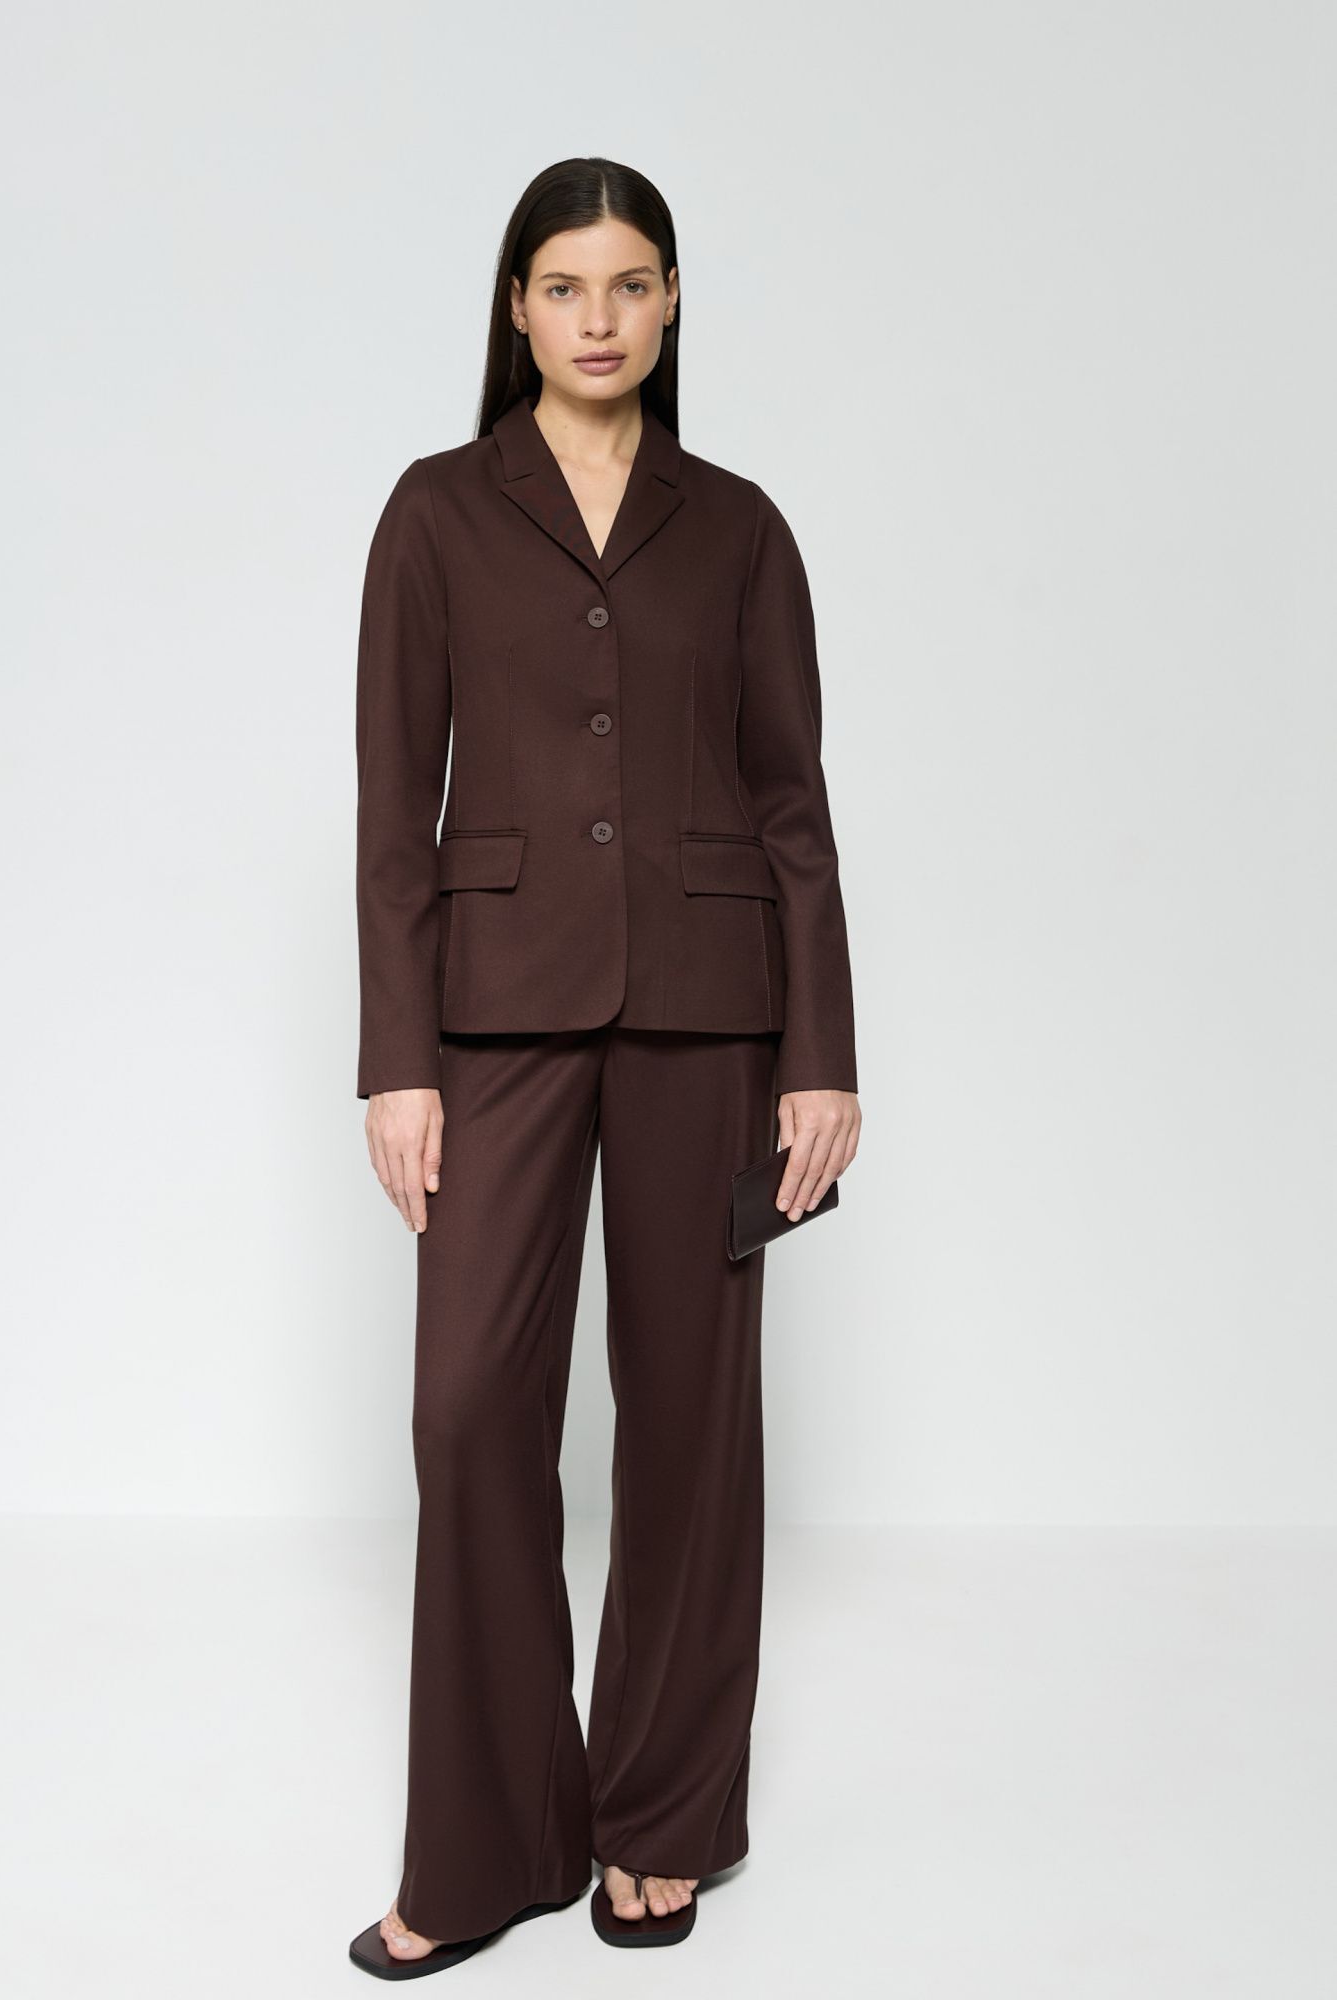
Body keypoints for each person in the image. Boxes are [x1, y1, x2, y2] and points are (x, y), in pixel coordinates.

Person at [347, 156, 861, 1978]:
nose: (597, 316)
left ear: (671, 304)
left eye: (630, 283)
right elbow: (391, 812)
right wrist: (395, 1061)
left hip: (714, 1017)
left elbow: (793, 804)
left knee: (692, 1423)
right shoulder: (436, 511)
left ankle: (662, 1817)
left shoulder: (741, 529)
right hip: (490, 1015)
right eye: (564, 285)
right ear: (516, 308)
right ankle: (492, 1839)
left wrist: (822, 1054)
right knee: (469, 1410)